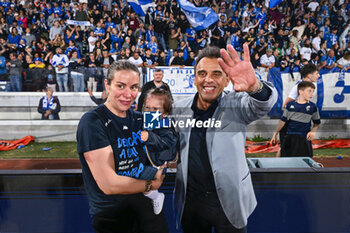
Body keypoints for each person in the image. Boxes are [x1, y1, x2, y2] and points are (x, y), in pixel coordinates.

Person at [173, 44, 277, 232]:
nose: (208, 80)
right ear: (195, 78)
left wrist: (255, 87)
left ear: (227, 78)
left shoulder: (236, 104)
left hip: (229, 201)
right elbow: (162, 137)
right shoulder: (179, 108)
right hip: (192, 202)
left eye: (216, 74)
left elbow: (262, 105)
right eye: (202, 73)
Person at [76, 60, 169, 233]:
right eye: (120, 86)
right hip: (112, 214)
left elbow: (169, 137)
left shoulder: (139, 117)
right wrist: (151, 185)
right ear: (107, 85)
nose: (128, 94)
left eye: (134, 87)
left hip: (147, 208)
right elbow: (110, 185)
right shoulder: (92, 121)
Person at [140, 88, 178, 215]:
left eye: (156, 109)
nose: (150, 112)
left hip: (157, 163)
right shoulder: (143, 121)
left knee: (144, 185)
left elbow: (167, 145)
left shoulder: (166, 126)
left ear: (165, 113)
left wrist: (149, 137)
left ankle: (155, 196)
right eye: (147, 108)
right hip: (145, 160)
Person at [270, 81, 320, 157]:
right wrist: (275, 134)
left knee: (306, 162)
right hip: (290, 138)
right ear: (301, 91)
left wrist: (313, 131)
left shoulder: (313, 107)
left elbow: (316, 123)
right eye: (309, 91)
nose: (312, 94)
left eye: (313, 92)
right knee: (285, 161)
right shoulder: (290, 105)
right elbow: (283, 121)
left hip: (304, 139)